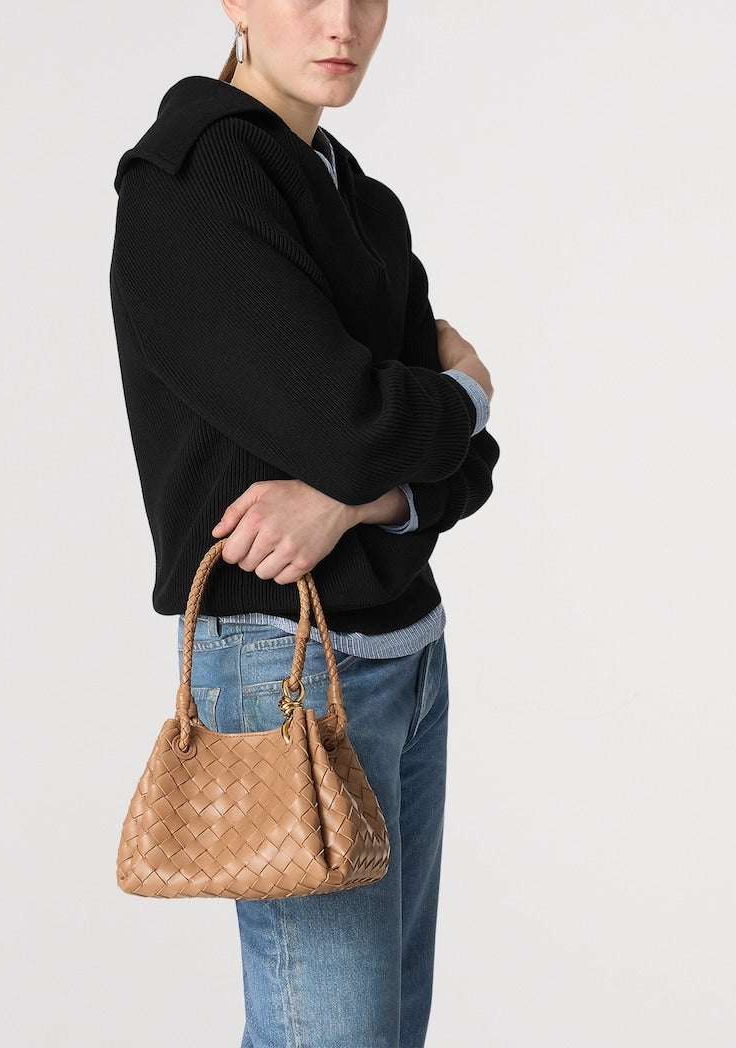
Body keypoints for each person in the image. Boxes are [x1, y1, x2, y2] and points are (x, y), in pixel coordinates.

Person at [109, 2, 499, 1045]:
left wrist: (352, 498)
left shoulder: (360, 200)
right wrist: (465, 390)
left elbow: (464, 469)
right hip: (283, 660)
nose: (342, 23)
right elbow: (365, 424)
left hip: (409, 657)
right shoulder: (193, 178)